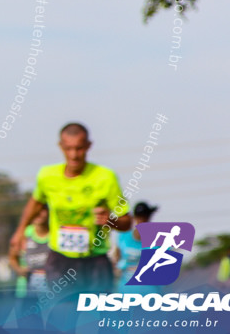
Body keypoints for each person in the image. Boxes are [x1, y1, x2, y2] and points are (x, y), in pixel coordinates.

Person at [10, 123, 131, 296]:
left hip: (95, 262)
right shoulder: (47, 176)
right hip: (60, 260)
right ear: (61, 147)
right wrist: (21, 230)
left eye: (79, 148)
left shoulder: (106, 178)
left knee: (95, 318)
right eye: (69, 149)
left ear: (89, 146)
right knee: (63, 317)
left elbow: (127, 222)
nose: (74, 155)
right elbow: (36, 202)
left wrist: (111, 221)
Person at [111, 201, 158, 289]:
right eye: (139, 218)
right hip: (126, 289)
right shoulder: (123, 237)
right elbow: (116, 260)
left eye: (145, 218)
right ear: (134, 218)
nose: (142, 221)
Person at [11, 205, 51, 299]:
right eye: (35, 211)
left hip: (53, 288)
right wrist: (20, 270)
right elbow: (12, 257)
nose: (39, 214)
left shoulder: (55, 234)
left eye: (42, 211)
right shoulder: (24, 234)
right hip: (27, 290)